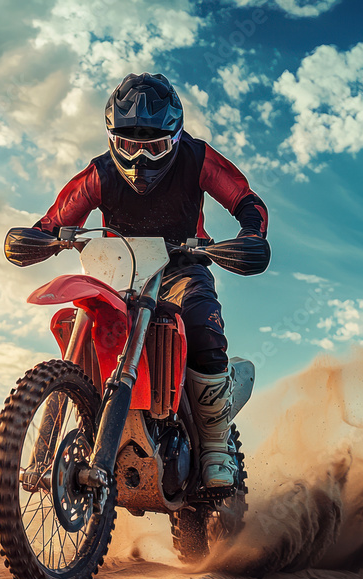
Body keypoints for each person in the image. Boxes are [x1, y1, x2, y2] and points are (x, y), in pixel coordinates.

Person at [28, 72, 268, 488]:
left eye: (154, 147)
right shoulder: (99, 174)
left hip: (181, 266)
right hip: (117, 271)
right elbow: (54, 220)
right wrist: (38, 239)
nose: (140, 160)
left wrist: (250, 236)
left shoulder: (197, 158)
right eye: (127, 145)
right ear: (111, 139)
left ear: (174, 138)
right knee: (85, 317)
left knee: (201, 323)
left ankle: (215, 447)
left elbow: (245, 200)